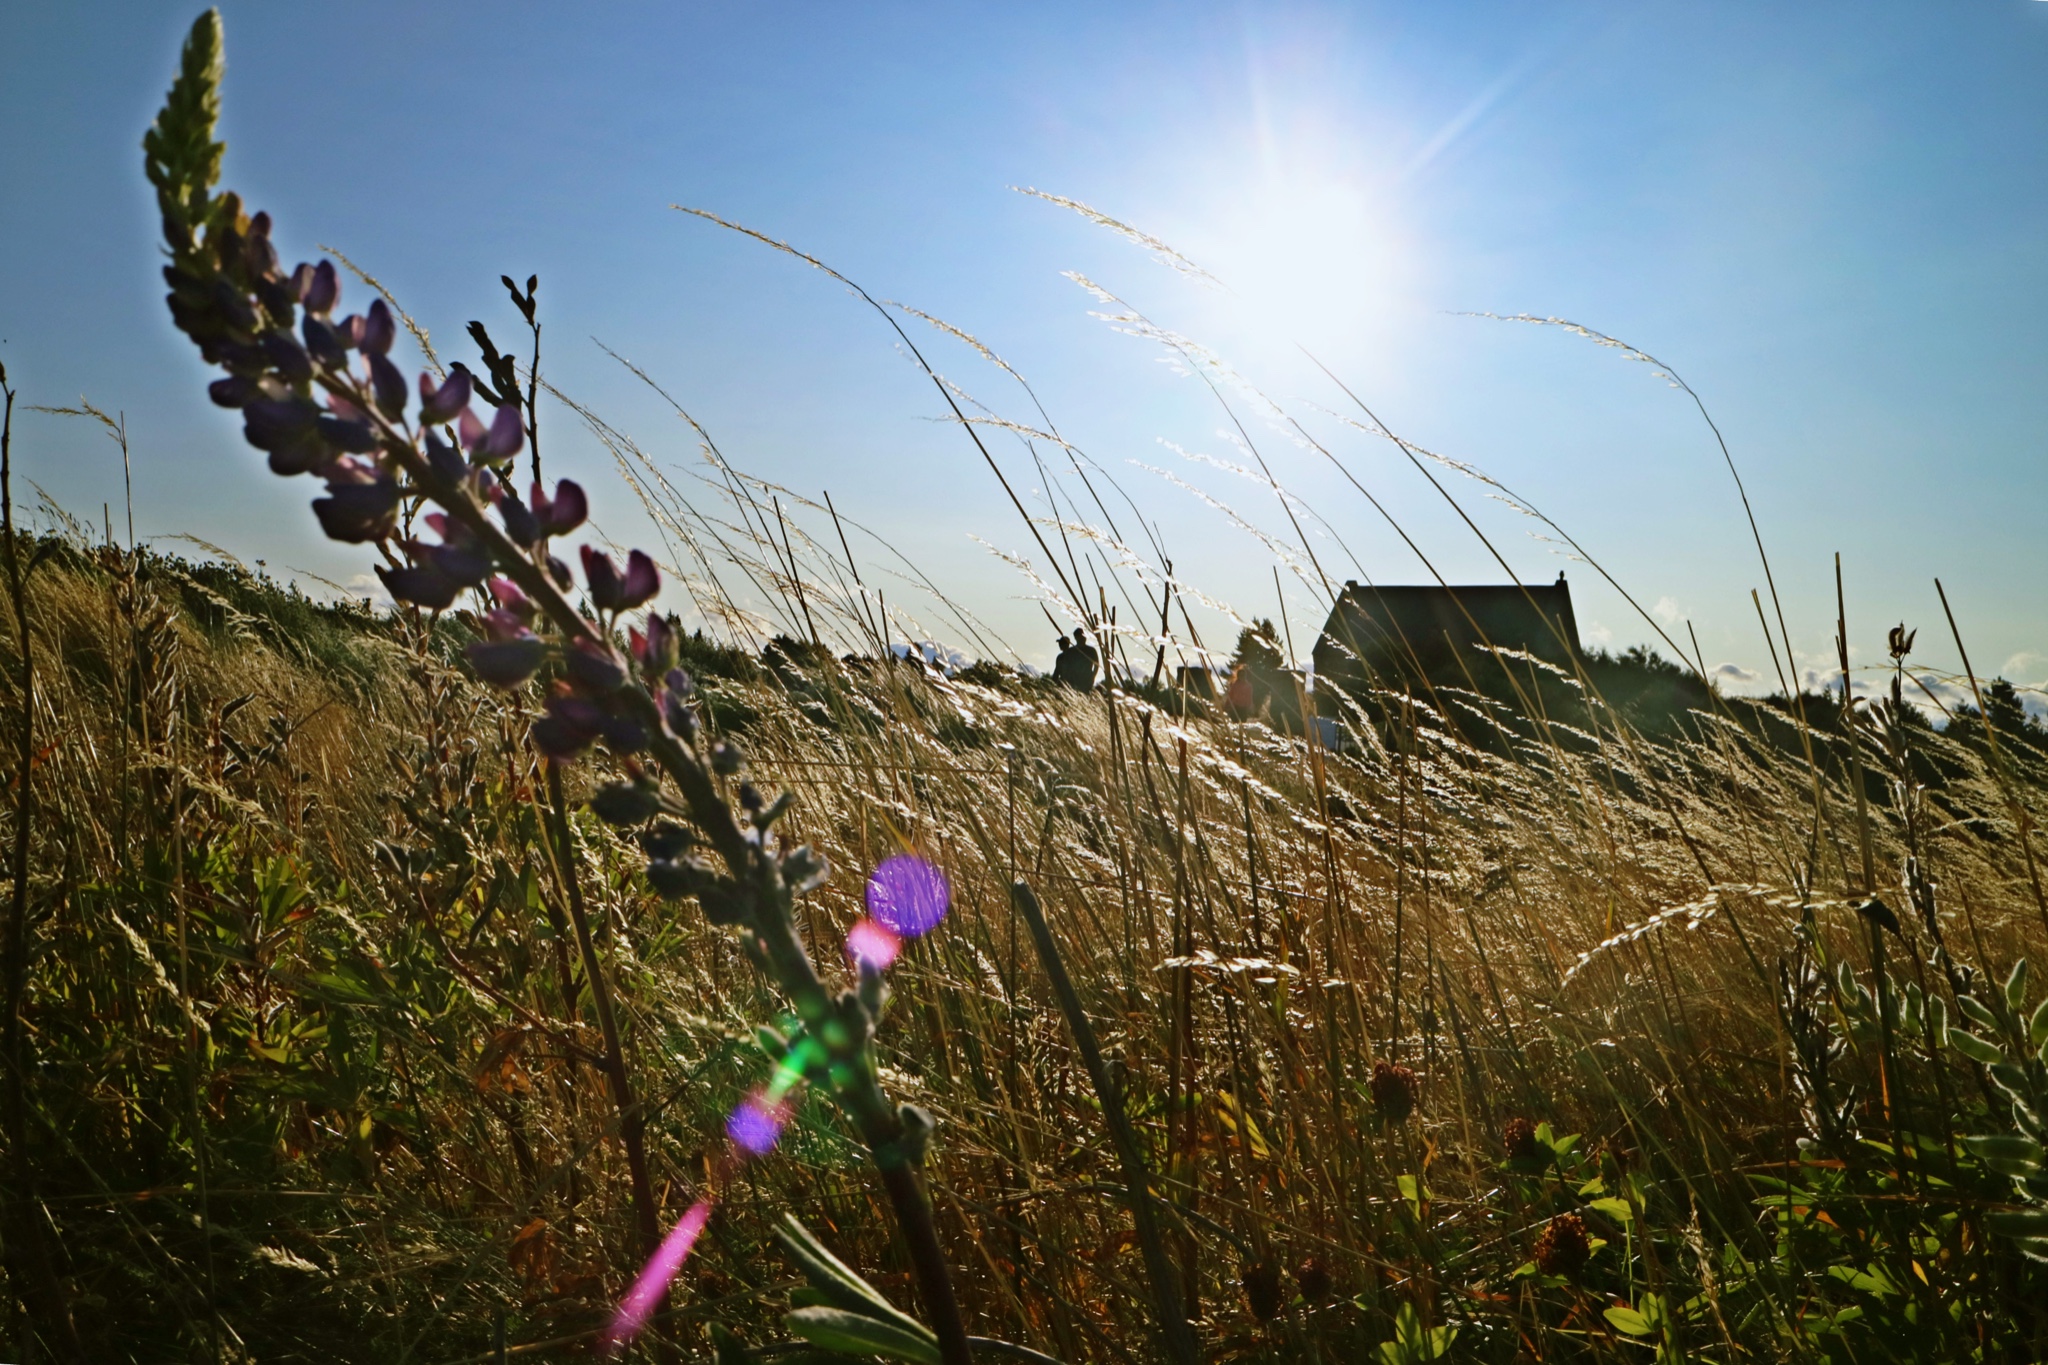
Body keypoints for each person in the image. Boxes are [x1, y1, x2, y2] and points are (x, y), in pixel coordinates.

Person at [1053, 626, 1099, 693]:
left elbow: (1096, 665)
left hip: (1086, 682)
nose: (1082, 638)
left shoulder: (1091, 650)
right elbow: (1066, 669)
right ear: (1075, 637)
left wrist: (1092, 677)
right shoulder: (1071, 652)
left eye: (1083, 636)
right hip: (1074, 684)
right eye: (1080, 636)